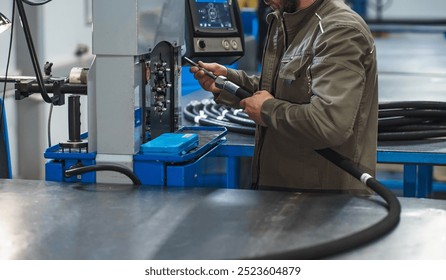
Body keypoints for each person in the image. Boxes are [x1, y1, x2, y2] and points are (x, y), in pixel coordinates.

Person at [191, 0, 378, 194]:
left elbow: (329, 123)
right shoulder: (286, 19)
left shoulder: (339, 30)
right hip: (286, 191)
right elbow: (280, 89)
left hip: (323, 199)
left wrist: (267, 110)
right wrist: (226, 81)